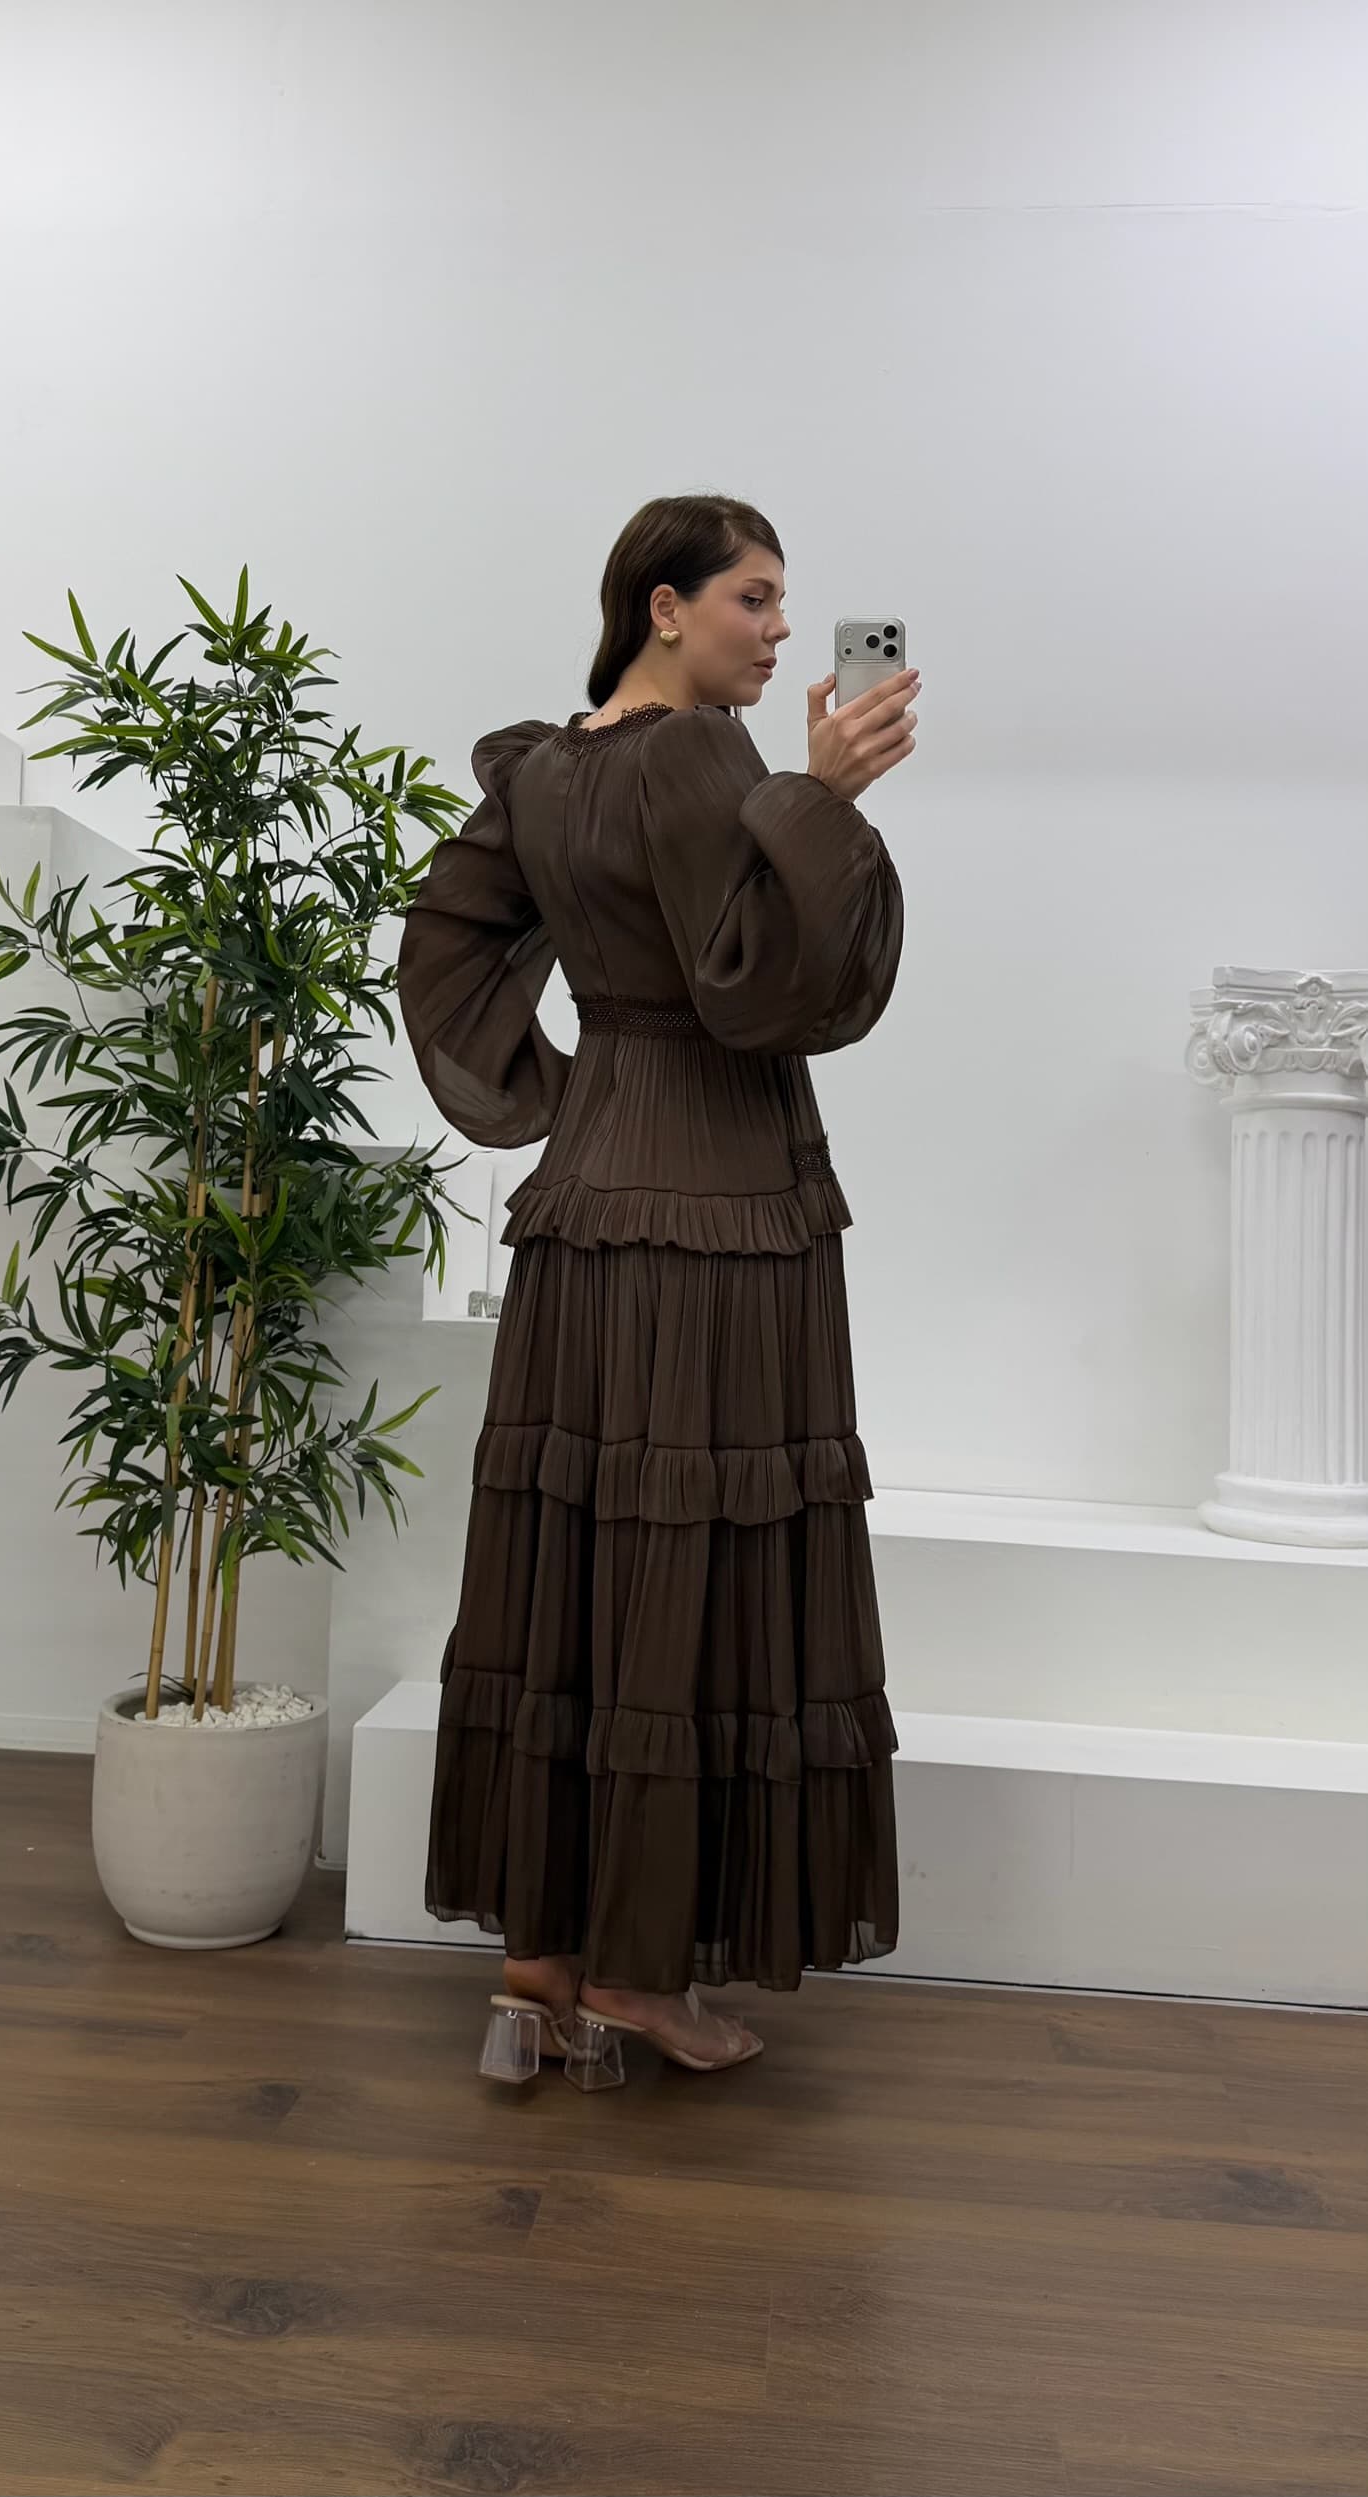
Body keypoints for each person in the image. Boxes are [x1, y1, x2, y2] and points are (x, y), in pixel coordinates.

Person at [396, 493, 919, 2081]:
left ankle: (537, 1971)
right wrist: (820, 801)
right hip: (722, 1205)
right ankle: (635, 1976)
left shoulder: (541, 767)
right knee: (683, 1572)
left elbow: (441, 949)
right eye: (753, 598)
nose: (780, 628)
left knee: (572, 1567)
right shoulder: (704, 756)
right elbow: (759, 992)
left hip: (586, 1205)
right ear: (664, 605)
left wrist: (568, 1091)